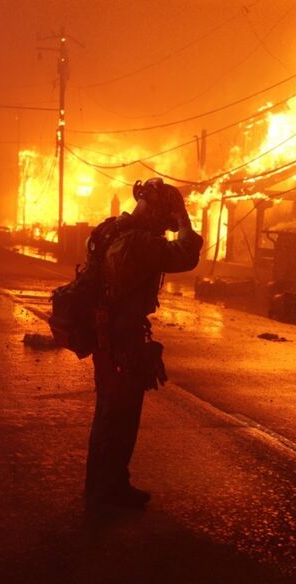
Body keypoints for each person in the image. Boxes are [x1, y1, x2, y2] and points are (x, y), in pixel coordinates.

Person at [85, 177, 203, 509]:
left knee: (107, 415)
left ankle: (102, 488)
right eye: (164, 221)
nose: (164, 229)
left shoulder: (109, 230)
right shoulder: (139, 243)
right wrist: (182, 219)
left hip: (104, 338)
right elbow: (186, 253)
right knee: (121, 418)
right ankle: (110, 494)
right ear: (155, 212)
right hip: (123, 342)